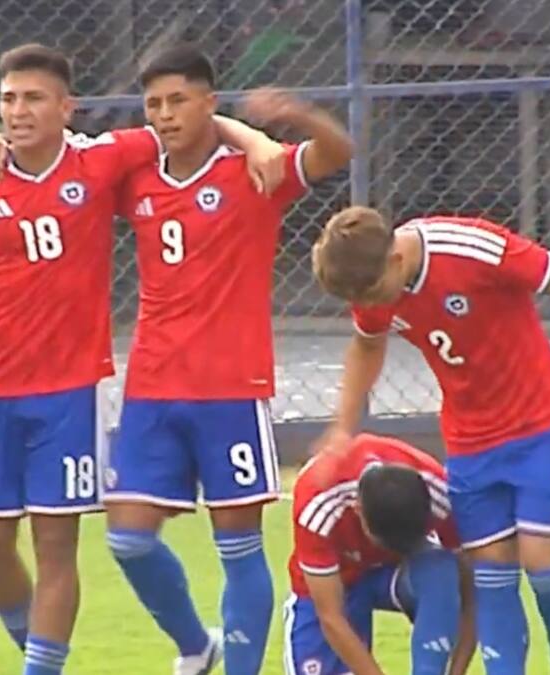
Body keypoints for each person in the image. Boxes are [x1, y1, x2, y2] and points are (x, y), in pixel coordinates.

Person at [0, 43, 285, 675]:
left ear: (67, 108)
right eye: (9, 99)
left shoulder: (103, 159)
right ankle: (179, 649)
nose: (19, 111)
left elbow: (192, 121)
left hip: (69, 389)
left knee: (58, 543)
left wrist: (254, 139)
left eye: (35, 98)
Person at [101, 46, 353, 675]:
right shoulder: (134, 174)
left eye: (178, 100)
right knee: (127, 537)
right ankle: (195, 644)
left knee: (238, 547)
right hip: (152, 387)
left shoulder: (256, 172)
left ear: (208, 103)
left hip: (230, 389)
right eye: (154, 104)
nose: (165, 115)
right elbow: (64, 165)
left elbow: (337, 154)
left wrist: (291, 116)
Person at [311, 209, 550, 675]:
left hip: (539, 424)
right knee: (491, 575)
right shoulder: (374, 284)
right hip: (469, 442)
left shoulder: (468, 248)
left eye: (374, 292)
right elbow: (367, 343)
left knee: (543, 567)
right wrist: (343, 425)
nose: (371, 303)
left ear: (397, 259)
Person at [286, 432, 476, 675]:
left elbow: (472, 596)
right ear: (358, 510)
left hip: (398, 574)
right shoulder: (318, 504)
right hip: (336, 582)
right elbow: (330, 616)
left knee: (440, 572)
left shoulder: (439, 493)